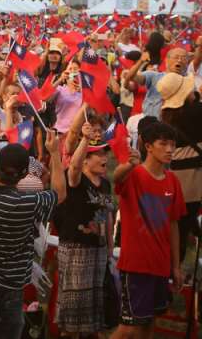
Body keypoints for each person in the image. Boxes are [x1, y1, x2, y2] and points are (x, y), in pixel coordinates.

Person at [0, 131, 66, 338]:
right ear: (24, 174)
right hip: (7, 285)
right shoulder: (27, 203)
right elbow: (60, 194)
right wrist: (54, 153)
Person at [111, 122, 186, 339]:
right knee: (128, 328)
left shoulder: (173, 181)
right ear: (148, 146)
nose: (170, 149)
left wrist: (176, 266)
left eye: (172, 144)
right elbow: (116, 178)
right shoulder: (134, 175)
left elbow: (174, 225)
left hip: (161, 266)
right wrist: (127, 165)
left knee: (148, 324)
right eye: (163, 144)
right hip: (136, 266)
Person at [55, 124, 114, 337]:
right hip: (75, 248)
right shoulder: (76, 180)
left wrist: (109, 245)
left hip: (97, 249)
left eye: (104, 152)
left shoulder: (105, 184)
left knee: (94, 301)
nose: (104, 157)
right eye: (97, 154)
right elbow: (74, 168)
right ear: (86, 159)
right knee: (74, 302)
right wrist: (85, 140)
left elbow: (105, 214)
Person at [157, 72, 202, 263]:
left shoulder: (168, 115)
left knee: (180, 227)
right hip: (196, 175)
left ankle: (172, 272)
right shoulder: (196, 111)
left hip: (179, 177)